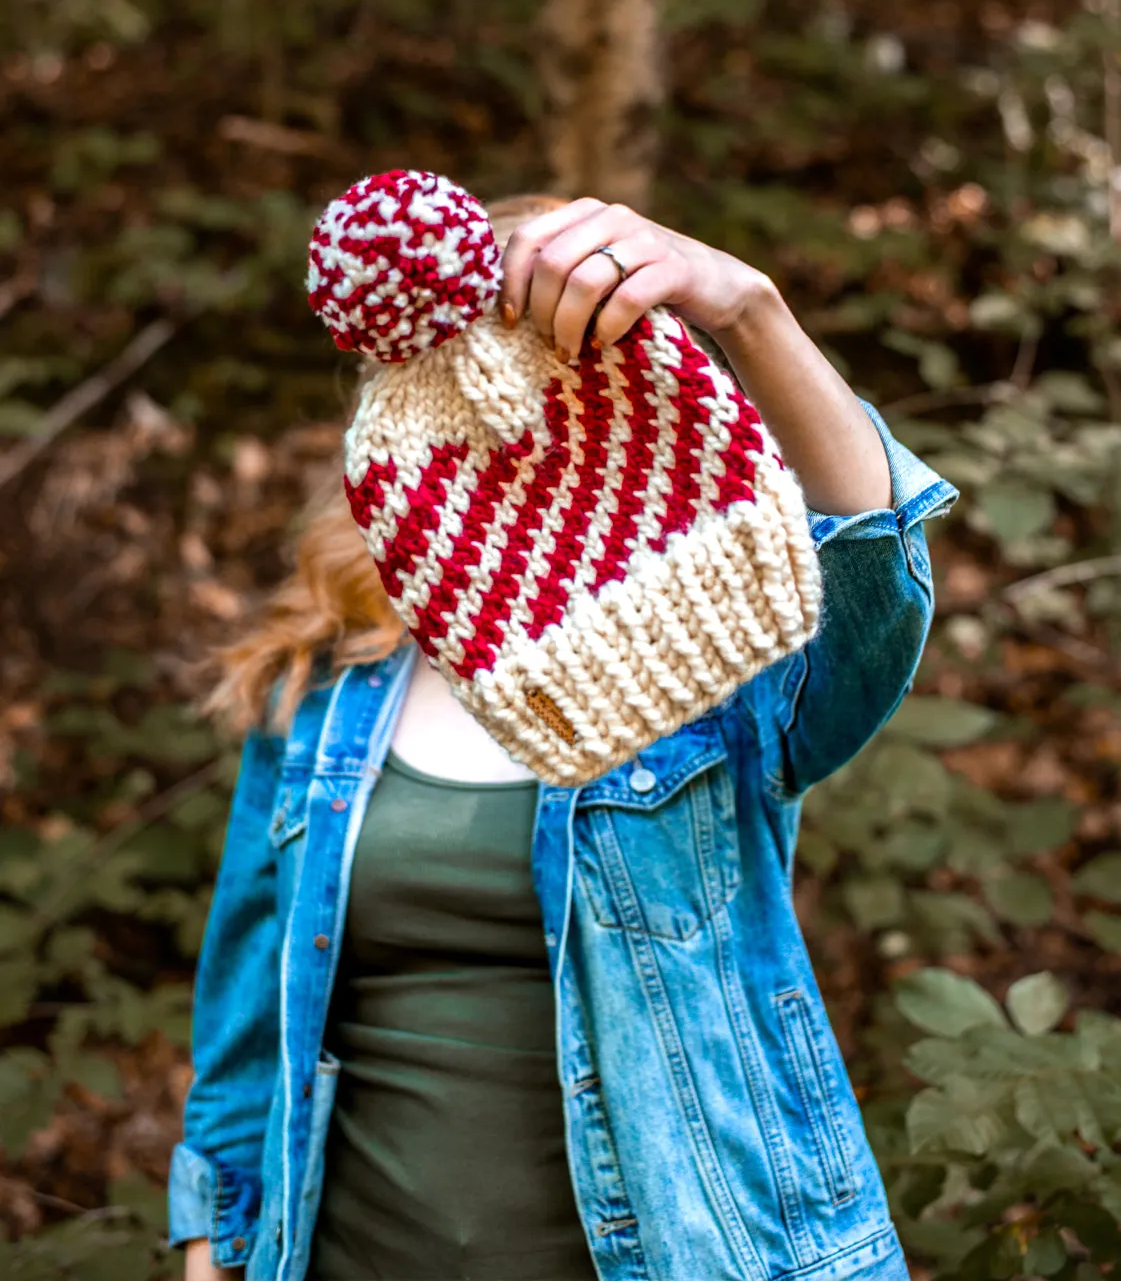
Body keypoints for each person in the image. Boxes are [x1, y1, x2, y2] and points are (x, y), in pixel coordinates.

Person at [170, 189, 958, 1281]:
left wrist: (750, 312)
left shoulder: (699, 667)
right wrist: (212, 1255)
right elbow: (245, 1036)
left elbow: (871, 586)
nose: (527, 426)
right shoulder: (317, 694)